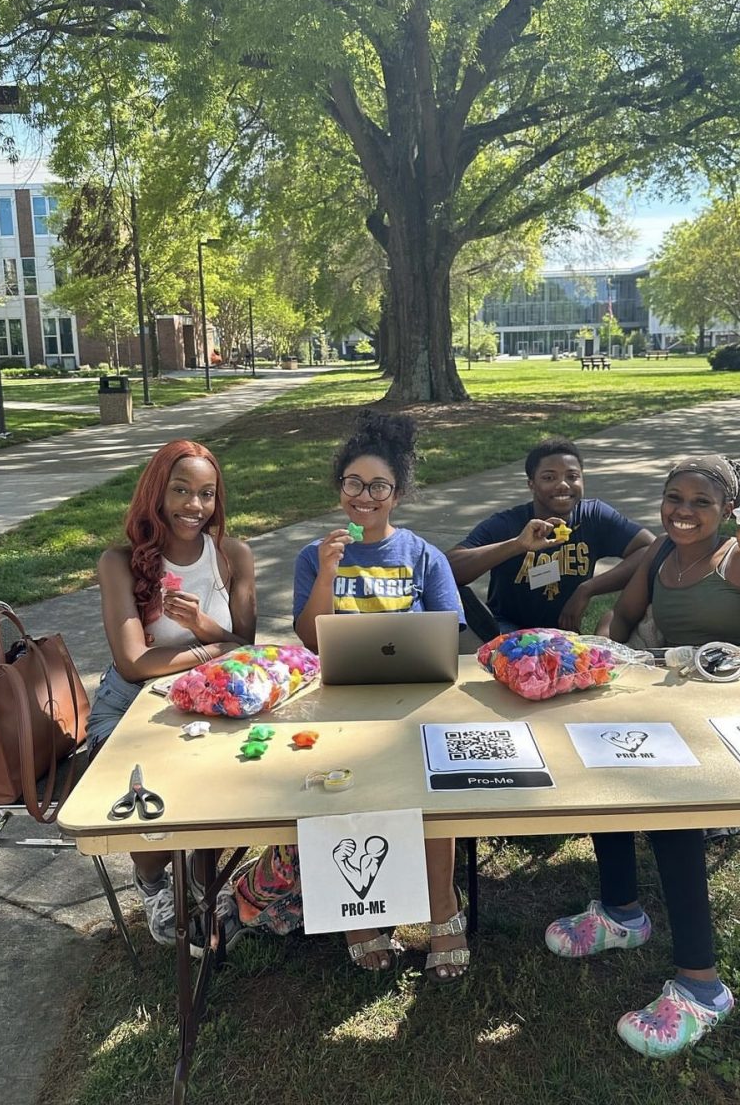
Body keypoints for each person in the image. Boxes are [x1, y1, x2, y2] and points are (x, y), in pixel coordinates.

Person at [544, 455, 740, 1059]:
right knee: (599, 768)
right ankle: (621, 912)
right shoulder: (661, 555)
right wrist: (594, 662)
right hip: (677, 709)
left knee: (670, 813)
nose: (684, 512)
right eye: (675, 498)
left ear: (726, 511)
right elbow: (624, 615)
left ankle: (701, 984)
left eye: (701, 502)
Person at [236, 411, 469, 981]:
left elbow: (447, 637)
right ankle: (359, 916)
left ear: (398, 494)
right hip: (336, 698)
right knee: (334, 790)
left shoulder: (422, 555)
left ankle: (443, 911)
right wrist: (327, 575)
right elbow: (310, 638)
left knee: (434, 791)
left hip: (409, 698)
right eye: (354, 484)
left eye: (379, 487)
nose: (365, 497)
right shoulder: (316, 556)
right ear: (340, 487)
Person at [90, 439, 257, 951]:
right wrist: (212, 649)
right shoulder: (119, 562)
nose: (194, 505)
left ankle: (201, 885)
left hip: (206, 704)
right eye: (181, 490)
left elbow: (244, 644)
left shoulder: (232, 555)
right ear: (157, 492)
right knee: (157, 794)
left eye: (206, 494)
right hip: (129, 711)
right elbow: (135, 663)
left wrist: (201, 625)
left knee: (240, 781)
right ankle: (155, 886)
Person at [446, 437, 654, 635]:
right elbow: (446, 568)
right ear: (531, 484)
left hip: (563, 636)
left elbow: (651, 550)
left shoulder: (594, 517)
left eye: (572, 476)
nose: (563, 484)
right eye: (549, 477)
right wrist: (516, 545)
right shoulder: (508, 523)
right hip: (507, 631)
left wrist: (587, 589)